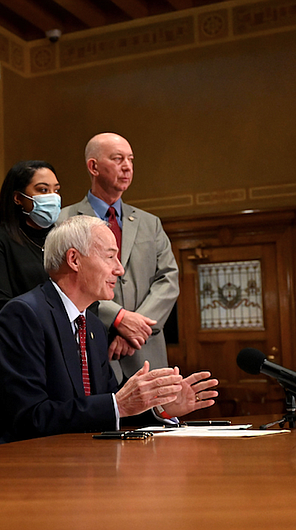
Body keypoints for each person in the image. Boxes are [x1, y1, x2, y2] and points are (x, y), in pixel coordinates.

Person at [0, 216, 216, 445]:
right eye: (110, 257)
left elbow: (106, 407)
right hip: (21, 466)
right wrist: (119, 404)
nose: (119, 270)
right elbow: (29, 418)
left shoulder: (92, 326)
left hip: (80, 461)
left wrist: (159, 407)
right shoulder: (22, 317)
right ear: (74, 260)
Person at [58, 133, 179, 382]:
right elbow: (66, 283)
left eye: (131, 160)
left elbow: (168, 280)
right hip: (92, 349)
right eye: (117, 159)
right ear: (93, 166)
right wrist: (118, 318)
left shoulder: (150, 223)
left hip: (146, 353)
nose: (127, 166)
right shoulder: (65, 221)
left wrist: (135, 329)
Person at [0, 160, 61, 322]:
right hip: (23, 339)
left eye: (56, 190)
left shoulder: (64, 239)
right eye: (43, 190)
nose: (52, 197)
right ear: (18, 197)